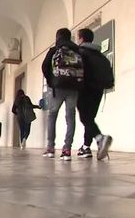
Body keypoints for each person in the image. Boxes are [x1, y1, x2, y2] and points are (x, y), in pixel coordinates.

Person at [41, 28, 82, 161]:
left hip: (58, 87)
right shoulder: (77, 50)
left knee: (52, 115)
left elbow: (44, 67)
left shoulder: (54, 50)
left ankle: (50, 148)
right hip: (74, 88)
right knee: (70, 117)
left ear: (57, 37)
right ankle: (67, 150)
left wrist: (51, 81)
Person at [76, 28, 114, 160]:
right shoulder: (101, 56)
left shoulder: (80, 52)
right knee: (90, 119)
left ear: (80, 39)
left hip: (85, 88)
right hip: (99, 90)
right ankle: (86, 147)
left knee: (85, 118)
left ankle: (100, 138)